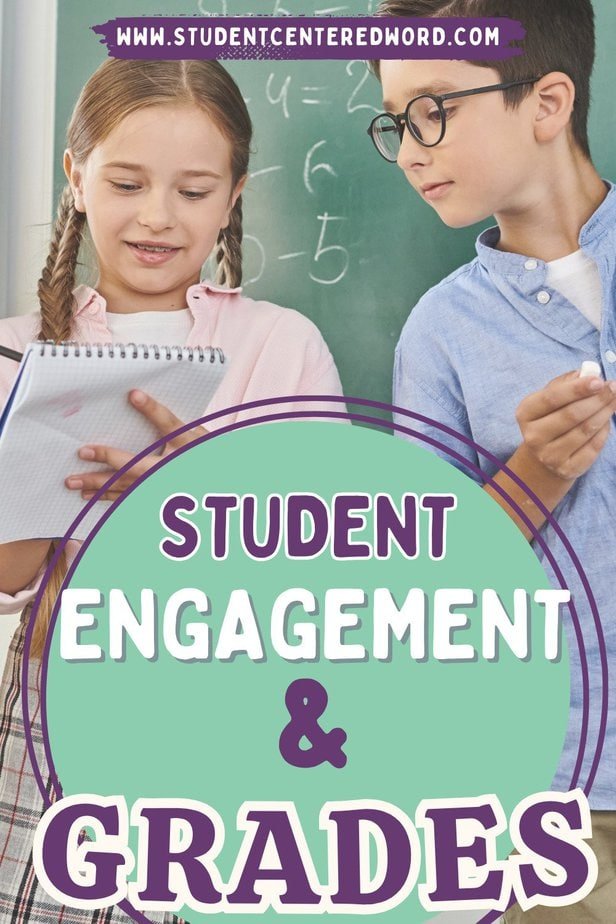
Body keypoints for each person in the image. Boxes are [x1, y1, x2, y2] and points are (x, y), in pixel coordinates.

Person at [0, 57, 343, 922]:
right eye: (126, 182)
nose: (157, 216)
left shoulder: (279, 345)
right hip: (50, 711)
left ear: (232, 197)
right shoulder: (16, 348)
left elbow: (332, 571)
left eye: (194, 191)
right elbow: (9, 578)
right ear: (76, 178)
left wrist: (183, 495)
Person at [367, 0, 615, 919]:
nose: (409, 149)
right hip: (555, 792)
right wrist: (536, 477)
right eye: (396, 120)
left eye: (435, 110)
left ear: (547, 103)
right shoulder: (441, 334)